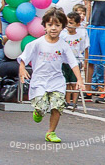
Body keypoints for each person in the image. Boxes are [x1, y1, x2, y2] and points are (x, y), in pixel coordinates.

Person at [19, 8, 83, 143]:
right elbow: (24, 57)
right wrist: (22, 69)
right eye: (50, 25)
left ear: (63, 27)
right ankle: (38, 111)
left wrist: (79, 79)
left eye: (57, 25)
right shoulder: (37, 43)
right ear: (44, 26)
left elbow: (73, 62)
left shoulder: (64, 45)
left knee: (57, 105)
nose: (53, 28)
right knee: (42, 107)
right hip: (40, 81)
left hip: (57, 81)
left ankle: (51, 132)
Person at [61, 11, 88, 110]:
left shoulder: (80, 36)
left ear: (77, 24)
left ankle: (74, 101)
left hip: (76, 61)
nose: (68, 25)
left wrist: (84, 62)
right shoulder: (63, 36)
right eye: (67, 22)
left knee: (74, 82)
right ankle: (68, 101)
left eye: (71, 23)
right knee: (67, 83)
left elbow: (84, 48)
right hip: (65, 62)